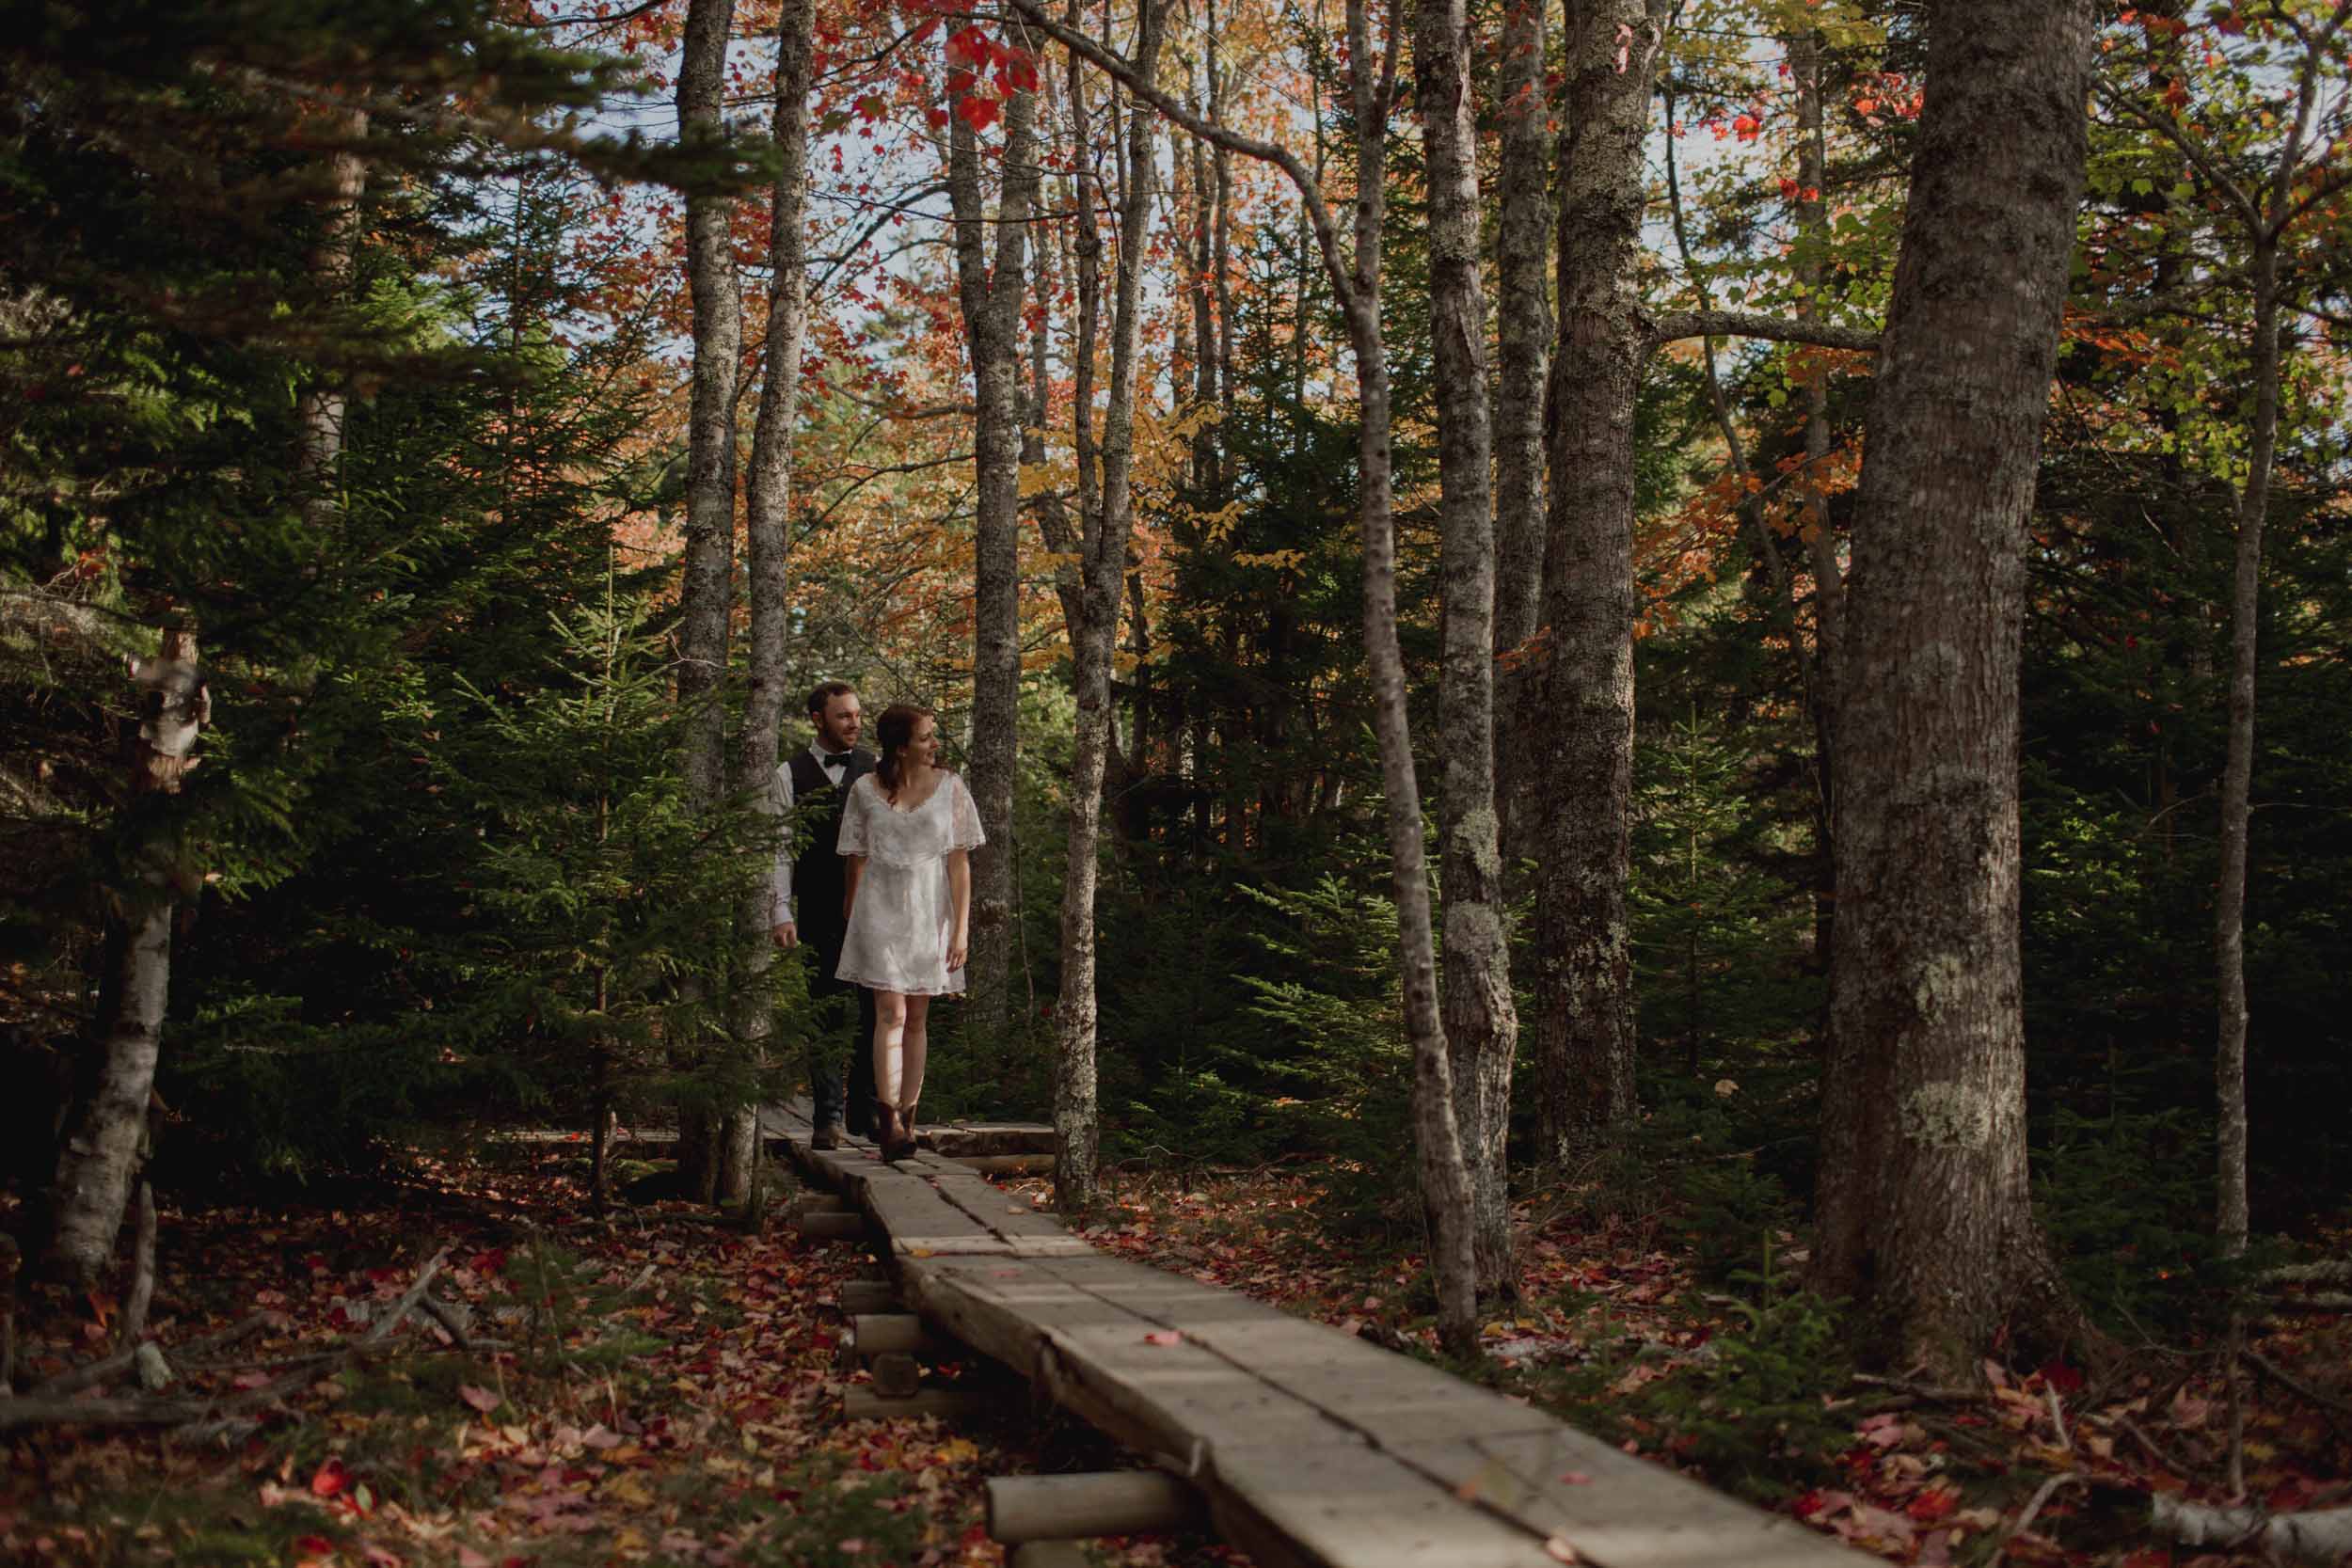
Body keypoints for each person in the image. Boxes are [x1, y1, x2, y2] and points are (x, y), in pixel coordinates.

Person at [834, 704, 985, 1163]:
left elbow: (959, 864)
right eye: (925, 738)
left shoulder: (952, 788)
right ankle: (889, 1120)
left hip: (929, 912)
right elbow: (855, 857)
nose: (934, 745)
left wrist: (960, 929)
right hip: (879, 909)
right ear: (901, 747)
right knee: (889, 1014)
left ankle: (909, 1115)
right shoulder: (864, 789)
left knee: (917, 1017)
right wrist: (853, 916)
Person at [770, 681, 878, 1149]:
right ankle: (827, 1118)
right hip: (817, 905)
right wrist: (780, 908)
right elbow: (777, 848)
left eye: (857, 715)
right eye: (843, 716)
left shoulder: (876, 768)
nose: (854, 723)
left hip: (876, 908)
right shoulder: (789, 774)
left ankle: (867, 1112)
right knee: (826, 1009)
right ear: (818, 719)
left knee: (876, 1009)